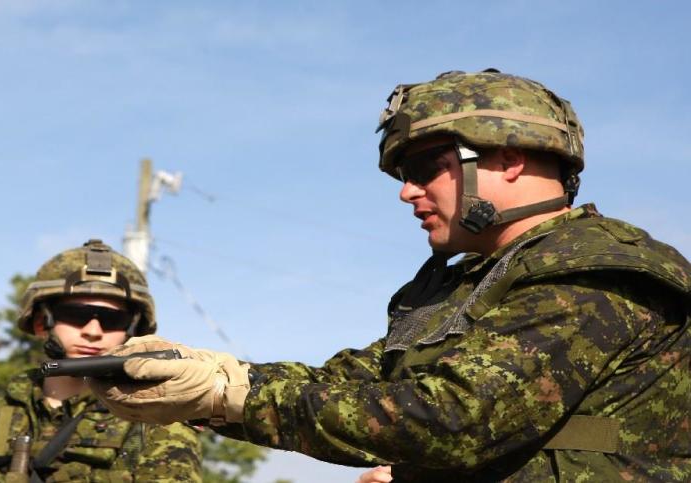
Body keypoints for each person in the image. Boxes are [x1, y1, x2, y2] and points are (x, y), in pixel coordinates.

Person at [89, 70, 691, 481]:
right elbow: (359, 384)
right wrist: (209, 377)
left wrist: (232, 394)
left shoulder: (595, 270)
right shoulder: (461, 285)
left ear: (508, 158)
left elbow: (456, 418)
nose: (408, 191)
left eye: (428, 166)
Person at [0, 239, 202, 482]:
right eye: (76, 315)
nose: (93, 332)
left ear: (132, 332)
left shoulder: (155, 424)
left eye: (112, 320)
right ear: (43, 322)